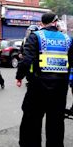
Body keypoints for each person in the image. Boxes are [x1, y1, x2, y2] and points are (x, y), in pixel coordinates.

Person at [16, 12, 73, 147]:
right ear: (56, 22)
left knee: (32, 119)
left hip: (38, 85)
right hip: (60, 87)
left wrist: (19, 76)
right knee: (56, 121)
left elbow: (26, 60)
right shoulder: (67, 39)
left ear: (42, 23)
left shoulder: (35, 37)